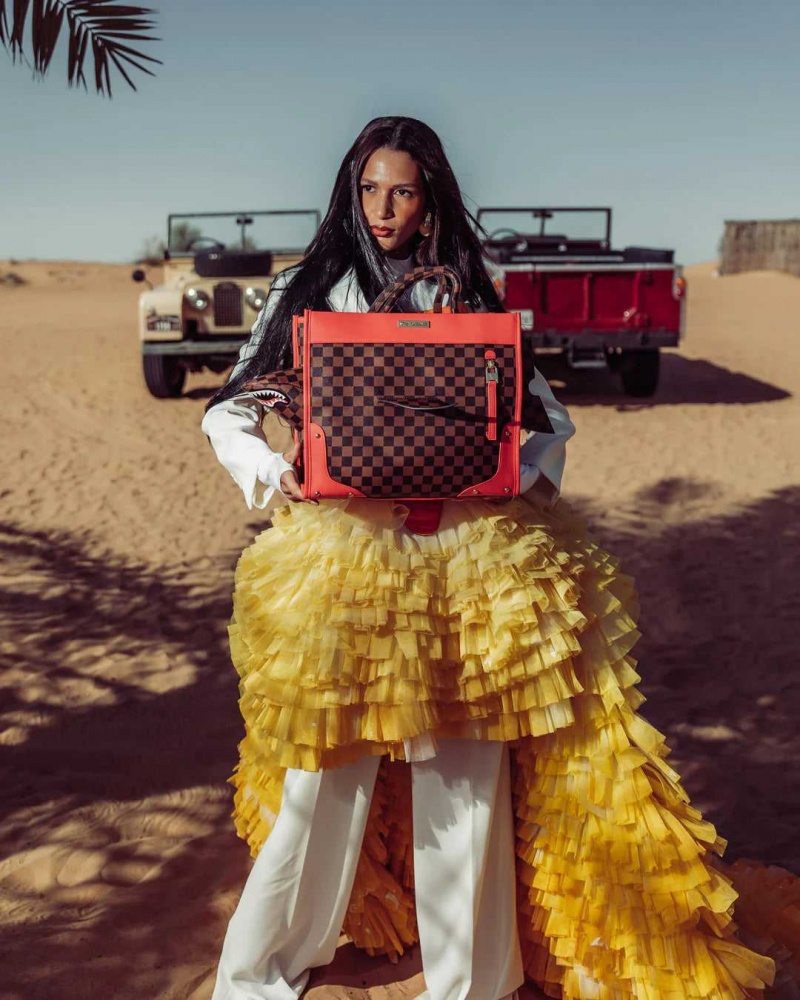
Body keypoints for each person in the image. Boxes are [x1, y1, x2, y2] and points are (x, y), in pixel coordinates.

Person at [201, 117, 775, 1000]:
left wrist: (515, 476)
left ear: (430, 200)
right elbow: (228, 411)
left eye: (402, 190)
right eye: (368, 190)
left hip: (472, 557)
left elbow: (547, 421)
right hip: (344, 563)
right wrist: (280, 472)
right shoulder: (307, 288)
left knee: (463, 783)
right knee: (324, 778)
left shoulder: (471, 296)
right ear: (349, 195)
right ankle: (262, 970)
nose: (383, 209)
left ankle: (470, 983)